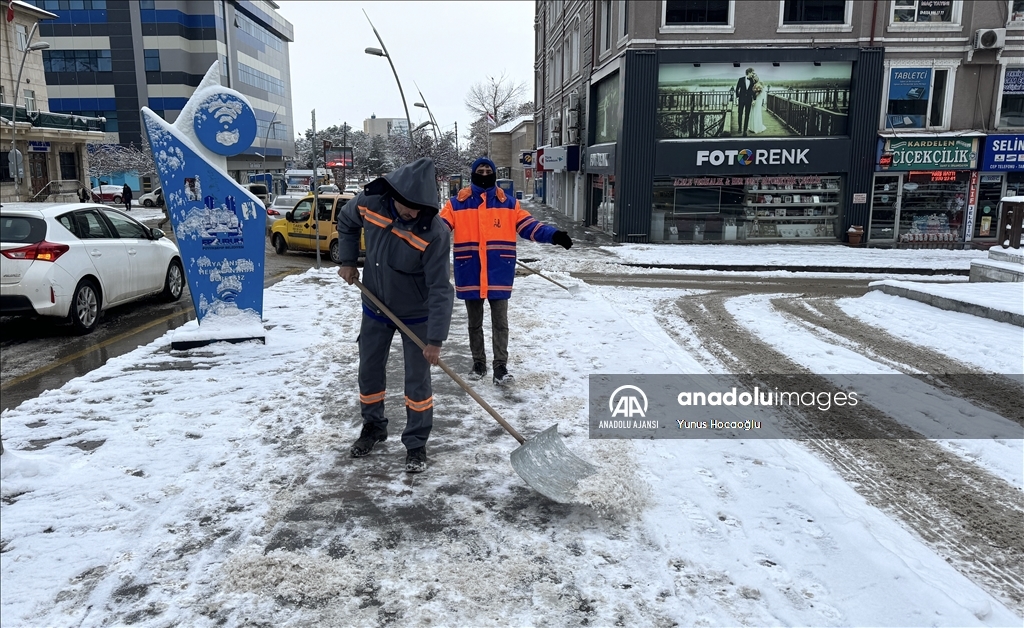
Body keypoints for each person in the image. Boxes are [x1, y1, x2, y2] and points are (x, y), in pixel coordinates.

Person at [336, 157, 454, 474]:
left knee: (417, 383)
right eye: (407, 206)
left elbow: (442, 289)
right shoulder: (371, 201)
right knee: (369, 371)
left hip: (416, 314)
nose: (413, 213)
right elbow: (346, 222)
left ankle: (416, 444)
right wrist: (348, 260)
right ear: (394, 194)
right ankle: (373, 428)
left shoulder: (435, 233)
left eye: (420, 208)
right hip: (375, 305)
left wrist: (435, 340)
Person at [439, 157, 573, 386]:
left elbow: (529, 226)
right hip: (470, 269)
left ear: (493, 173)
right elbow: (439, 228)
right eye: (479, 170)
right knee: (474, 323)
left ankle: (500, 366)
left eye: (487, 170)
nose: (483, 174)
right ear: (473, 174)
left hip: (498, 271)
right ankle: (478, 362)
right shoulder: (456, 204)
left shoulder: (509, 204)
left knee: (500, 323)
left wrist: (554, 235)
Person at [735, 67, 756, 137]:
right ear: (749, 73)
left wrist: (754, 99)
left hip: (749, 100)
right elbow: (737, 89)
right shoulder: (740, 79)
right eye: (752, 73)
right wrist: (738, 97)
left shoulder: (753, 81)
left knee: (747, 115)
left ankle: (745, 130)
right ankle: (739, 128)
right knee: (740, 113)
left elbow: (754, 91)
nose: (753, 74)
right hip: (741, 99)